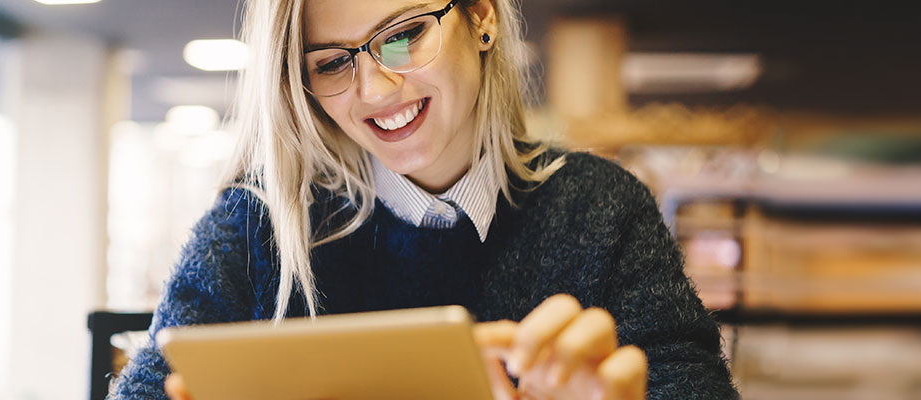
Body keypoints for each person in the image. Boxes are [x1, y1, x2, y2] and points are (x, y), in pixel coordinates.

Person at [108, 0, 739, 398]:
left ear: (483, 17)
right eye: (332, 63)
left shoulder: (601, 210)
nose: (375, 90)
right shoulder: (257, 228)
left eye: (404, 35)